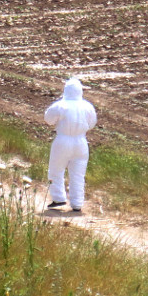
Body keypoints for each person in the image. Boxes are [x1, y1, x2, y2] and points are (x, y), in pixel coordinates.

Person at [44, 77, 98, 213]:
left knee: (56, 170)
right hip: (81, 141)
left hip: (63, 140)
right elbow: (92, 123)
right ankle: (77, 203)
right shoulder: (87, 106)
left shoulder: (60, 105)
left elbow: (49, 120)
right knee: (78, 174)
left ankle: (58, 197)